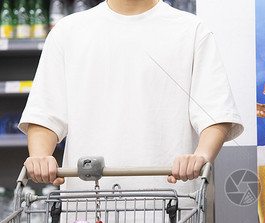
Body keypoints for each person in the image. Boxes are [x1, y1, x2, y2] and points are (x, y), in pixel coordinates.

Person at [19, 0, 243, 193]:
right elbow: (45, 115)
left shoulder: (191, 30)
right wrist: (40, 156)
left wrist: (201, 156)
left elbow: (215, 111)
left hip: (170, 208)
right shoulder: (67, 32)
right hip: (87, 210)